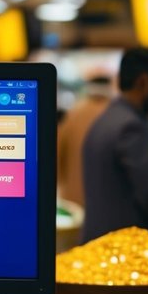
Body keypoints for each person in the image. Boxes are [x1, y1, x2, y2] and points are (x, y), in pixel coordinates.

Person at [81, 48, 148, 243]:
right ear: (144, 82)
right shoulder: (130, 126)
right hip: (123, 251)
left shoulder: (109, 118)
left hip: (103, 244)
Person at [57, 73, 112, 207]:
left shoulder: (73, 114)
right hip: (107, 200)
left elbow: (57, 154)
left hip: (74, 198)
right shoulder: (116, 116)